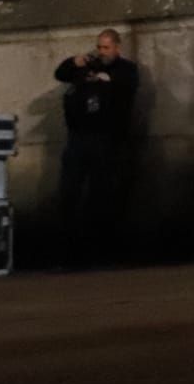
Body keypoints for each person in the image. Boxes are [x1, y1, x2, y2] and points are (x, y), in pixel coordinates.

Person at [54, 28, 139, 266]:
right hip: (79, 137)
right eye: (99, 47)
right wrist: (74, 61)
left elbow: (127, 91)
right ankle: (70, 251)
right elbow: (61, 74)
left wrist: (107, 82)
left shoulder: (126, 70)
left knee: (101, 194)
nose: (102, 52)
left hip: (106, 138)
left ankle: (101, 250)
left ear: (117, 48)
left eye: (106, 48)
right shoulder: (89, 66)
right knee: (70, 192)